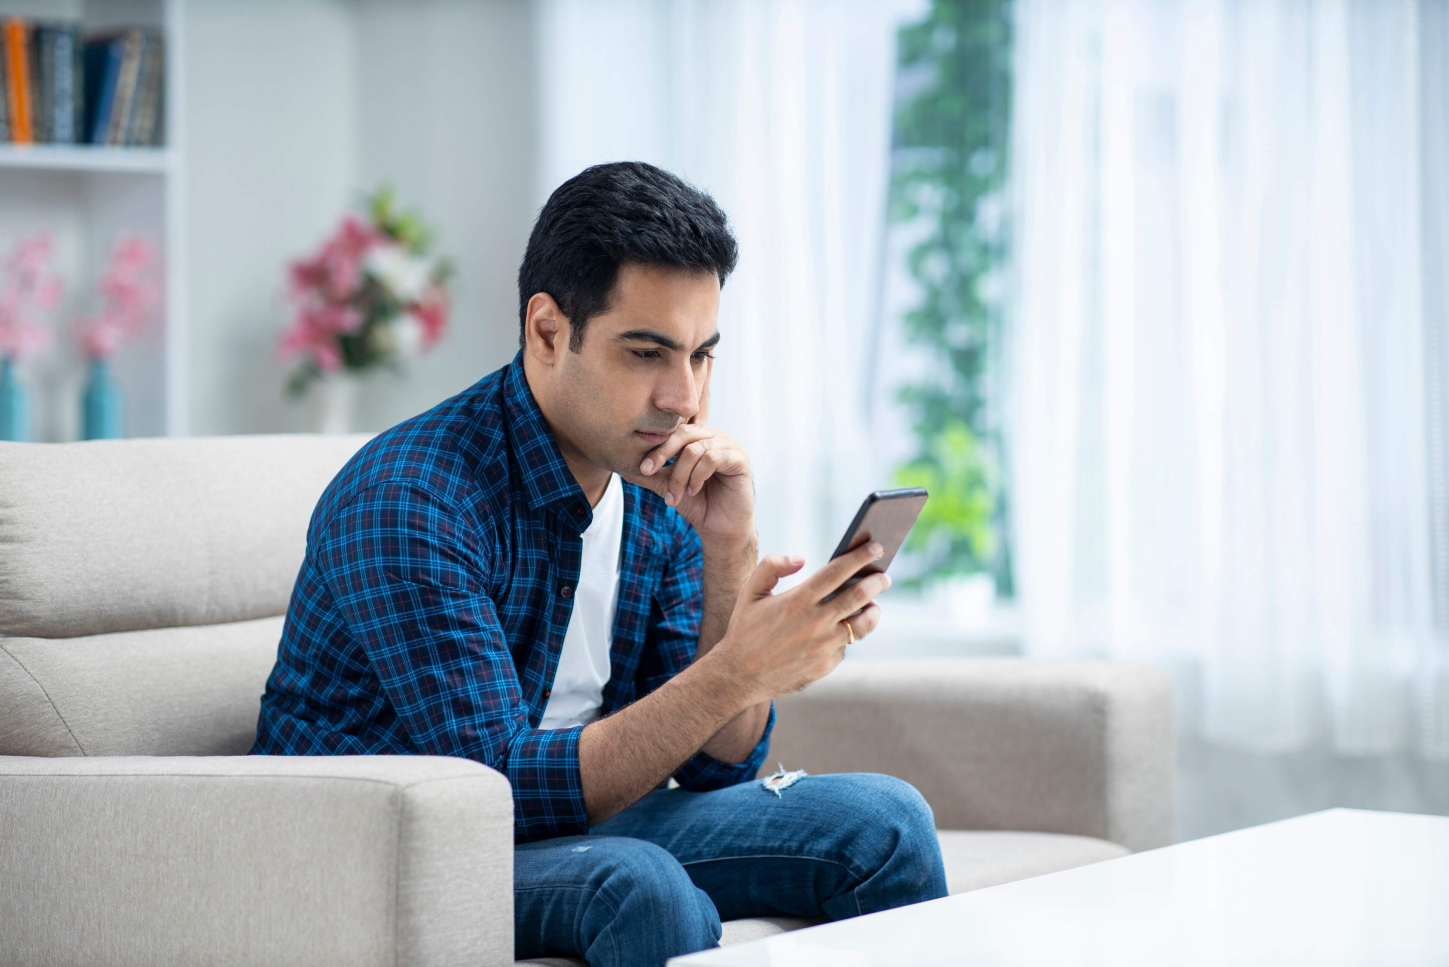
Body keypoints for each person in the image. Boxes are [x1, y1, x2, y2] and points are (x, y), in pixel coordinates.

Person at [251, 161, 948, 967]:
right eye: (647, 352)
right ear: (548, 332)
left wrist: (730, 547)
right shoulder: (411, 497)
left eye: (701, 355)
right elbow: (496, 792)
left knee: (884, 821)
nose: (683, 396)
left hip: (579, 825)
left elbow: (717, 761)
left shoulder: (658, 483)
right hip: (396, 849)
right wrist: (738, 669)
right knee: (638, 884)